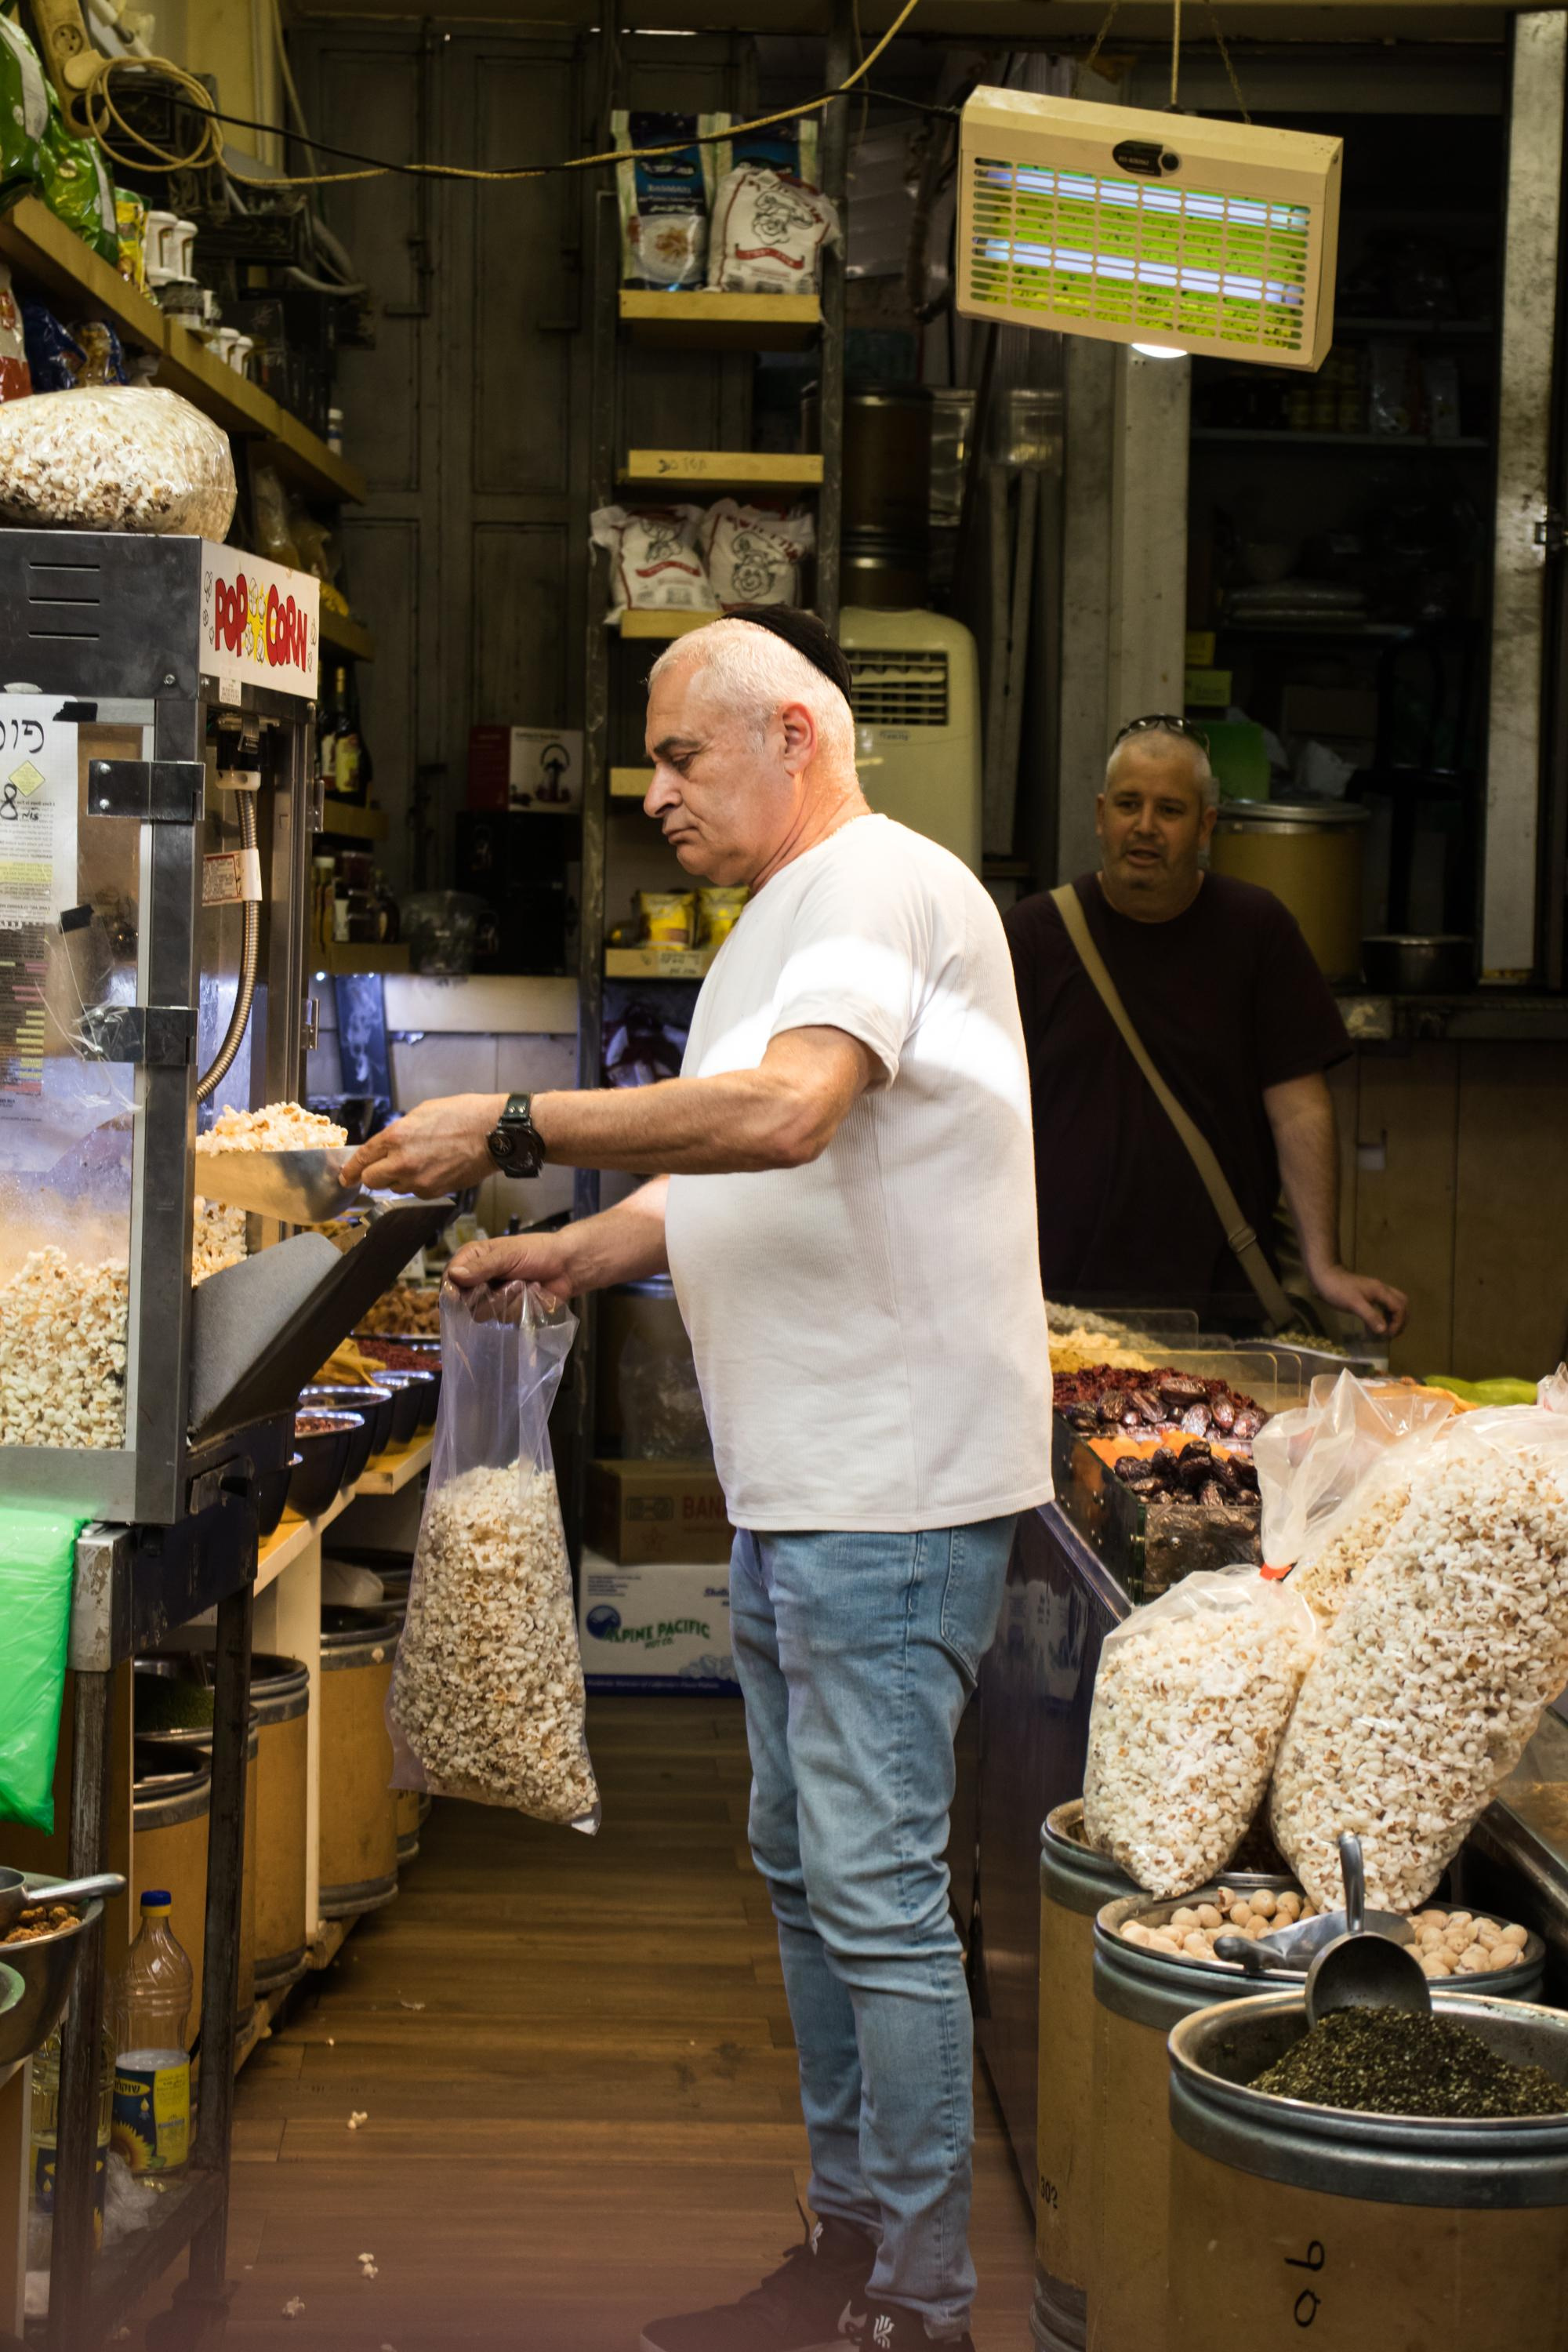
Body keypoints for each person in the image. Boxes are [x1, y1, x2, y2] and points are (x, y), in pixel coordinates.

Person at [343, 607, 1053, 2352]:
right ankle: (842, 2244)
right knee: (809, 1872)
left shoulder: (878, 884)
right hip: (803, 1482)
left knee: (874, 1891)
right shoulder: (777, 926)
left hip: (888, 1488)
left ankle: (918, 2301)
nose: (646, 789)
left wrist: (513, 1130)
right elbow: (740, 1170)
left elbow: (787, 1114)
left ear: (795, 737)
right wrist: (580, 1250)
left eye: (678, 754)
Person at [1004, 715, 1407, 1338]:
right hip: (1058, 1299)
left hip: (1220, 1301)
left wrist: (1325, 1265)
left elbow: (1299, 1110)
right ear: (1100, 814)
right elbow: (983, 1106)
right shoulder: (1033, 935)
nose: (1144, 827)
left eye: (1169, 809)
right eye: (1129, 805)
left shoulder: (1257, 931)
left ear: (1205, 826)